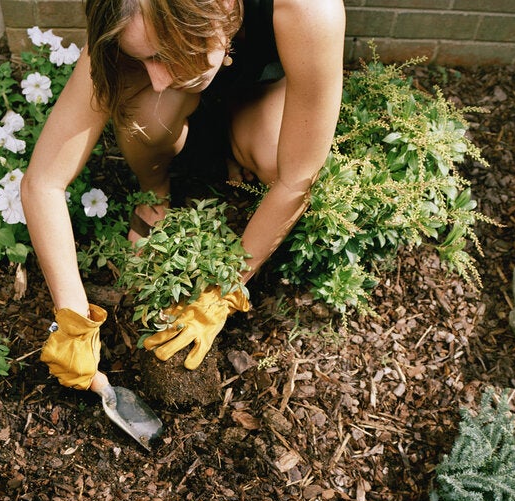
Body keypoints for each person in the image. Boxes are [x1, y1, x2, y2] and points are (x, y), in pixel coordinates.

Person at [22, 0, 345, 392]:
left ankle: (231, 141)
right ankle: (155, 189)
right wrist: (72, 318)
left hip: (261, 86)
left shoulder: (308, 10)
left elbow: (297, 180)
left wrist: (222, 292)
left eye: (162, 55)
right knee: (146, 115)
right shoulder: (134, 11)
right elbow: (43, 182)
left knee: (274, 160)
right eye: (142, 60)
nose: (156, 79)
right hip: (194, 84)